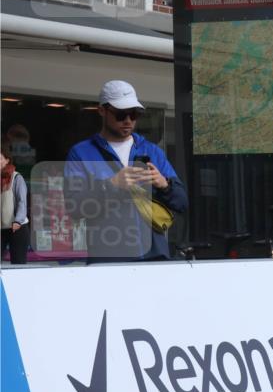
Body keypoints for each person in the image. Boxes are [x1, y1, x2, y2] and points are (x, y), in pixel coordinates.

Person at [64, 81, 187, 263]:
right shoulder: (81, 152)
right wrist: (111, 185)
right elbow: (74, 207)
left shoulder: (152, 151)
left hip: (155, 256)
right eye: (121, 114)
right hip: (108, 258)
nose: (128, 120)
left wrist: (164, 184)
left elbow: (182, 203)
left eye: (134, 114)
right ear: (102, 111)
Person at [1, 142, 29, 264]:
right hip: (1, 228)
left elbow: (22, 201)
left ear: (7, 160)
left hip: (17, 227)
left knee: (18, 262)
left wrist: (18, 220)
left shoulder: (16, 178)